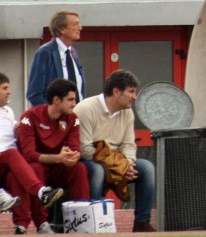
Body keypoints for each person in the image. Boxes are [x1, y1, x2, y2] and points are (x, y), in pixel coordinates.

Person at [74, 70, 156, 232]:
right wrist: (118, 166)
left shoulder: (127, 112)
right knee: (97, 171)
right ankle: (95, 223)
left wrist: (128, 165)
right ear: (116, 92)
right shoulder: (85, 109)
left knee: (146, 168)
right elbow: (84, 149)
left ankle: (141, 223)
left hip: (117, 162)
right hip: (89, 161)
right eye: (131, 91)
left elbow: (129, 144)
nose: (135, 96)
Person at [15, 79, 89, 232]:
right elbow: (29, 154)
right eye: (70, 99)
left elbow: (75, 147)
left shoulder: (73, 118)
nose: (74, 103)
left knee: (79, 168)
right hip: (34, 167)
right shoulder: (29, 117)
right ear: (56, 100)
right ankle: (42, 223)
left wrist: (72, 157)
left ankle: (82, 219)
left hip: (58, 167)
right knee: (35, 168)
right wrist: (58, 158)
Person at [0, 71, 64, 231]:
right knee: (12, 154)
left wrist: (18, 125)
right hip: (4, 158)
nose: (9, 91)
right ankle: (42, 192)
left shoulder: (8, 111)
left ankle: (26, 225)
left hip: (9, 163)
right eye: (5, 88)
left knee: (21, 173)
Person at [26, 10, 83, 106]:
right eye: (75, 24)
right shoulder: (44, 53)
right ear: (62, 29)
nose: (80, 28)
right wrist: (52, 114)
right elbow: (34, 94)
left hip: (74, 117)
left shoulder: (73, 53)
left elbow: (79, 90)